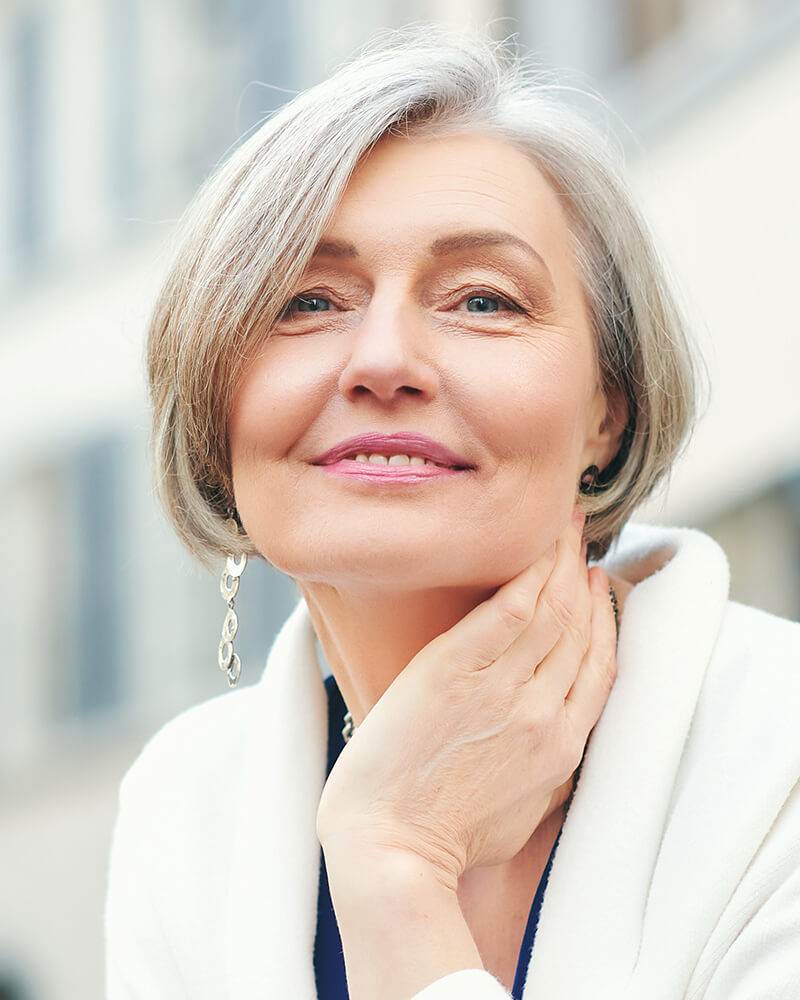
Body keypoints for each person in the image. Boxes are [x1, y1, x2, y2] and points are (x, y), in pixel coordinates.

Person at [104, 27, 800, 1000]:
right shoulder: (182, 805)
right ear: (213, 405)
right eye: (304, 300)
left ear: (609, 410)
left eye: (482, 300)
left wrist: (395, 870)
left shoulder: (778, 754)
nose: (382, 359)